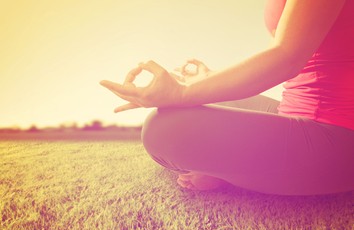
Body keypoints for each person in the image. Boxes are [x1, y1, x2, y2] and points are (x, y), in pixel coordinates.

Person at [100, 0, 354, 195]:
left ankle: (230, 173)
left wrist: (181, 93)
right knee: (199, 102)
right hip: (291, 112)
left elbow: (286, 57)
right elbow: (284, 56)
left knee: (162, 129)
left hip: (339, 137)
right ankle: (234, 167)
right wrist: (204, 80)